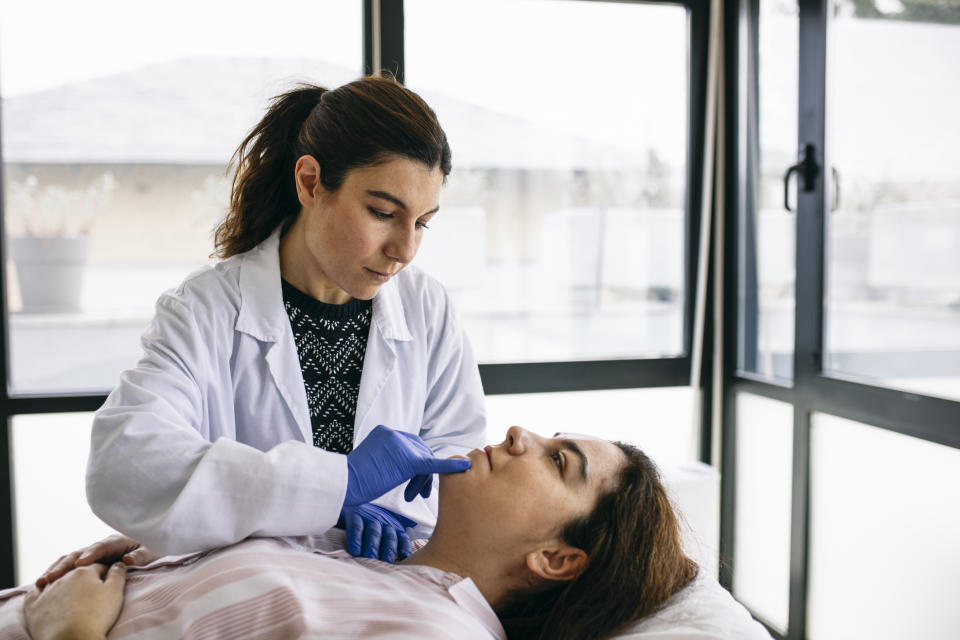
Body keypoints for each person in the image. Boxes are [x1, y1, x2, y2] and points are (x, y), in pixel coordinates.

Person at [79, 74, 487, 565]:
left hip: (386, 590)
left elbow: (460, 469)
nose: (404, 251)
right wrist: (334, 494)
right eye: (382, 212)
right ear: (310, 182)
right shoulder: (206, 309)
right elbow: (124, 463)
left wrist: (403, 515)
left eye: (422, 223)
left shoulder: (429, 309)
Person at [8, 428, 704, 640]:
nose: (522, 434)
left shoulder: (436, 636)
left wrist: (67, 633)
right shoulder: (370, 554)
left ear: (555, 557)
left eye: (559, 461)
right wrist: (150, 554)